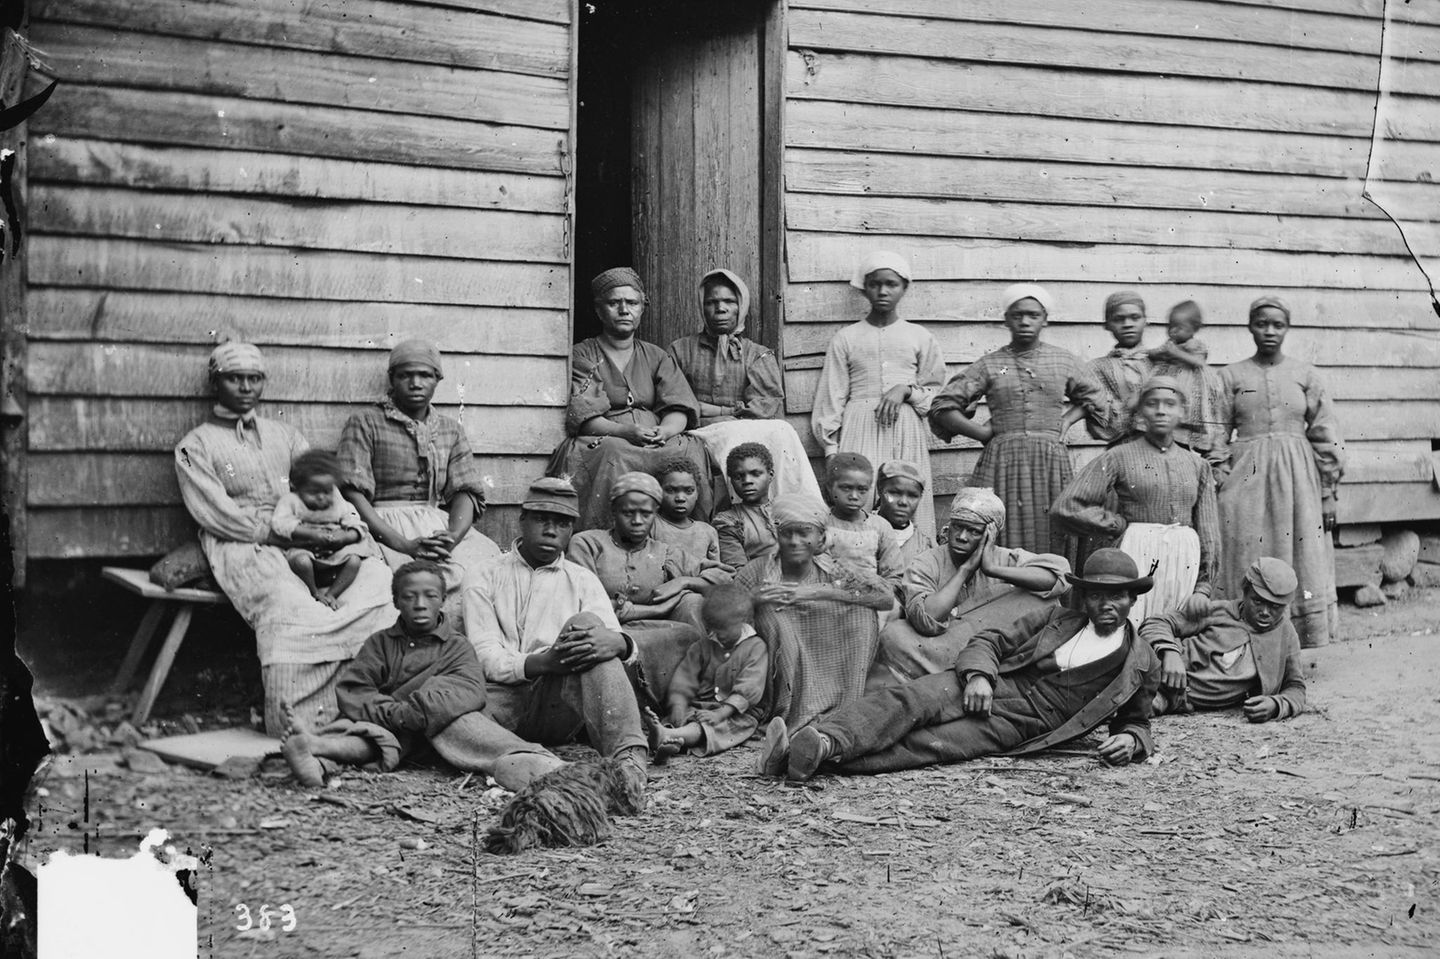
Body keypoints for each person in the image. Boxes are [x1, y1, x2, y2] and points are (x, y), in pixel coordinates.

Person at [758, 549, 1161, 782]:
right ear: (1085, 597)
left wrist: (1132, 741)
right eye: (1097, 596)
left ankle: (807, 755)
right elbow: (990, 640)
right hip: (994, 684)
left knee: (929, 745)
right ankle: (825, 740)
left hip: (1023, 724)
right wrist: (981, 677)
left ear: (1132, 600)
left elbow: (1137, 722)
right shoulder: (1056, 618)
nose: (1106, 605)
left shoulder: (1141, 661)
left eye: (1118, 596)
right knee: (911, 701)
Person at [174, 342, 395, 736]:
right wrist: (274, 534)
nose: (245, 387)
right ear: (215, 384)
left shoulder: (287, 436)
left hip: (309, 534)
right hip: (244, 541)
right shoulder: (195, 446)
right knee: (289, 603)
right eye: (234, 378)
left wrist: (349, 527)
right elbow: (214, 514)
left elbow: (325, 489)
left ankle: (367, 708)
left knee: (377, 583)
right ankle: (301, 726)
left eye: (254, 379)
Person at [460, 477, 651, 792]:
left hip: (559, 703)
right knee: (452, 716)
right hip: (502, 702)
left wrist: (620, 642)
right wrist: (545, 662)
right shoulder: (485, 573)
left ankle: (628, 764)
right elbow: (485, 655)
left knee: (588, 624)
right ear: (522, 520)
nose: (551, 531)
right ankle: (539, 763)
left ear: (571, 530)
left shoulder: (582, 579)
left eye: (562, 524)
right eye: (541, 520)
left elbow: (610, 638)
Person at [929, 284, 1111, 557]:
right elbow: (942, 406)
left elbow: (1096, 398)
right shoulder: (991, 363)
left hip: (1050, 461)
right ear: (1006, 319)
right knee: (997, 528)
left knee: (1053, 526)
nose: (1025, 321)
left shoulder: (1062, 360)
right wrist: (980, 433)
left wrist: (1066, 420)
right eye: (1018, 315)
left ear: (1045, 319)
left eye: (1033, 315)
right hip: (1002, 461)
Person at [279, 560, 488, 787]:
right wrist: (393, 714)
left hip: (425, 730)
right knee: (359, 731)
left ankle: (316, 745)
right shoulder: (380, 642)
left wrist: (414, 712)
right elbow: (354, 689)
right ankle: (314, 761)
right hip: (381, 719)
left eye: (430, 596)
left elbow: (470, 690)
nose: (420, 604)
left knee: (376, 740)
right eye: (409, 597)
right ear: (396, 602)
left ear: (443, 600)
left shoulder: (457, 646)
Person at [336, 339, 502, 624]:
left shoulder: (450, 430)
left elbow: (465, 491)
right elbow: (352, 493)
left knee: (485, 571)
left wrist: (452, 538)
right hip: (380, 525)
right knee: (384, 588)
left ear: (437, 379)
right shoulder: (366, 422)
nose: (415, 383)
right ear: (392, 379)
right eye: (405, 375)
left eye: (425, 375)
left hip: (437, 526)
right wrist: (402, 544)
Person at [1215, 296, 1344, 648]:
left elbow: (1325, 433)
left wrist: (1328, 493)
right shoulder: (1231, 375)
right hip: (1247, 477)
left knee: (1302, 548)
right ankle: (1243, 636)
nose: (1269, 331)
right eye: (1261, 323)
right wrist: (1219, 479)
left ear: (1287, 328)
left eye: (1277, 324)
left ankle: (1300, 638)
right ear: (1249, 327)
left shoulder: (1306, 374)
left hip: (1298, 477)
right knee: (1246, 549)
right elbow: (1216, 434)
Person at [549, 267, 720, 530]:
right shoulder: (583, 354)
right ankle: (605, 535)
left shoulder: (657, 356)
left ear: (641, 309)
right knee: (613, 452)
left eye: (632, 303)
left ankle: (688, 536)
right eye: (613, 303)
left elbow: (679, 406)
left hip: (653, 435)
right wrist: (626, 431)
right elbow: (585, 418)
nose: (624, 309)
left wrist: (664, 431)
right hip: (608, 434)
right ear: (598, 310)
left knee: (688, 448)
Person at [1053, 376, 1221, 627]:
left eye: (1170, 404)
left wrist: (1203, 588)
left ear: (1182, 412)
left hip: (1185, 560)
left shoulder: (1198, 465)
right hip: (1137, 553)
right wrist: (1116, 525)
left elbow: (1209, 533)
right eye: (1152, 404)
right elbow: (1067, 507)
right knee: (1134, 627)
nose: (1161, 410)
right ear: (1141, 411)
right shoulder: (1119, 456)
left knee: (1176, 628)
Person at [871, 488, 1070, 687]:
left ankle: (973, 673)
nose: (962, 537)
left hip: (995, 648)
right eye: (958, 527)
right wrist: (965, 570)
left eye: (974, 531)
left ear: (991, 535)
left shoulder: (1006, 558)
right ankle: (968, 677)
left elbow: (1059, 577)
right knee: (894, 636)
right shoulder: (927, 561)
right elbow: (927, 619)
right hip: (943, 647)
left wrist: (992, 569)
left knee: (1042, 598)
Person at [811, 251, 947, 538]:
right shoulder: (846, 338)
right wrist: (832, 451)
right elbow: (832, 395)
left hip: (905, 428)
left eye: (891, 284)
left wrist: (907, 391)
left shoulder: (920, 337)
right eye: (875, 284)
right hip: (859, 425)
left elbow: (938, 395)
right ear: (864, 287)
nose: (883, 291)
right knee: (860, 496)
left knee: (904, 496)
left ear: (904, 287)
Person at [566, 472, 730, 703]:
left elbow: (725, 577)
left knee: (692, 605)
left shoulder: (663, 552)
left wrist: (685, 582)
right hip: (605, 630)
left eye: (646, 514)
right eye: (628, 513)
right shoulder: (588, 543)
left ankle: (692, 697)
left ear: (655, 514)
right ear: (614, 511)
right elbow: (588, 603)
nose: (637, 521)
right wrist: (657, 609)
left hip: (650, 629)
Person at [736, 494, 894, 730]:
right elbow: (722, 615)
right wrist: (751, 600)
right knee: (771, 614)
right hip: (781, 679)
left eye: (804, 533)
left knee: (863, 615)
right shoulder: (758, 571)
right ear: (776, 534)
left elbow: (885, 598)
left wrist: (815, 592)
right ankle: (791, 715)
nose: (794, 541)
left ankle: (842, 710)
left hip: (829, 658)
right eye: (787, 533)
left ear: (820, 537)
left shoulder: (835, 568)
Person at [669, 268, 821, 501]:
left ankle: (798, 508)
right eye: (712, 302)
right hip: (699, 430)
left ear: (741, 306)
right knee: (733, 436)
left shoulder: (756, 355)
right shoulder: (681, 350)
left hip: (742, 426)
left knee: (783, 430)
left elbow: (765, 405)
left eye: (729, 301)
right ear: (702, 306)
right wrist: (716, 415)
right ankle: (742, 512)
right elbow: (675, 400)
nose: (720, 308)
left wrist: (724, 412)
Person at [1142, 558, 1306, 722]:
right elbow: (1156, 623)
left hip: (1174, 700)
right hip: (1156, 676)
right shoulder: (1220, 611)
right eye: (1257, 601)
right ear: (1245, 592)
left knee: (1135, 709)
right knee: (1123, 701)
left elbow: (1296, 687)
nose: (1265, 611)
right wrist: (1170, 653)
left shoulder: (1286, 633)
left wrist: (1275, 705)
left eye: (1275, 606)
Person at [642, 584, 769, 760]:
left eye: (725, 628)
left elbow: (749, 688)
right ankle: (669, 740)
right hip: (700, 705)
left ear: (744, 620)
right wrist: (678, 704)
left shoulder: (755, 647)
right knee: (681, 717)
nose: (719, 634)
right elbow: (685, 677)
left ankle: (668, 737)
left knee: (713, 727)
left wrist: (721, 713)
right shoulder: (702, 647)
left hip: (735, 712)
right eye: (714, 628)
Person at [272, 450, 377, 609]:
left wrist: (346, 536)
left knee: (354, 561)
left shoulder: (337, 502)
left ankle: (332, 594)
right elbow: (280, 523)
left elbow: (355, 519)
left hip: (334, 554)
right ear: (297, 487)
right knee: (301, 562)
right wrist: (310, 534)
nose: (322, 497)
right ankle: (314, 592)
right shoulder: (292, 501)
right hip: (305, 550)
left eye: (327, 491)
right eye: (314, 492)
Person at [1064, 291, 1151, 445]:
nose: (1128, 324)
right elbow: (1091, 401)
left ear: (1146, 321)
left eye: (1135, 317)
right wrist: (1067, 421)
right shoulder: (1096, 369)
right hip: (1122, 449)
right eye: (1119, 319)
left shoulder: (1161, 363)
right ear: (1107, 325)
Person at [1147, 300, 1223, 458]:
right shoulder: (1170, 344)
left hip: (1188, 385)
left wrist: (1175, 353)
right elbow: (1154, 353)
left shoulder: (1195, 345)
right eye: (1170, 326)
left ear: (1194, 328)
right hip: (1170, 383)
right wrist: (1155, 353)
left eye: (1179, 328)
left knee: (1184, 414)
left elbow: (1199, 362)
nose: (1173, 331)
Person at [821, 452, 905, 590]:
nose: (854, 496)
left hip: (873, 598)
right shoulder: (821, 525)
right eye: (846, 488)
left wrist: (881, 589)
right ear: (830, 487)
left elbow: (894, 575)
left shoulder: (880, 526)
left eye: (862, 490)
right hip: (832, 598)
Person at [712, 443, 778, 571]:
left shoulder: (790, 509)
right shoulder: (729, 521)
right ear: (731, 481)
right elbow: (739, 571)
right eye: (738, 476)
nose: (747, 481)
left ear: (770, 475)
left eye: (755, 474)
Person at [650, 457, 724, 566]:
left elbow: (716, 572)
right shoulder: (651, 526)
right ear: (658, 491)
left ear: (697, 493)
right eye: (671, 490)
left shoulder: (708, 532)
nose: (680, 498)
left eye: (688, 491)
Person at [874, 460, 935, 570]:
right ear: (880, 490)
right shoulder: (860, 533)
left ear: (920, 497)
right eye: (895, 493)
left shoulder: (925, 546)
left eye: (912, 496)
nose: (903, 502)